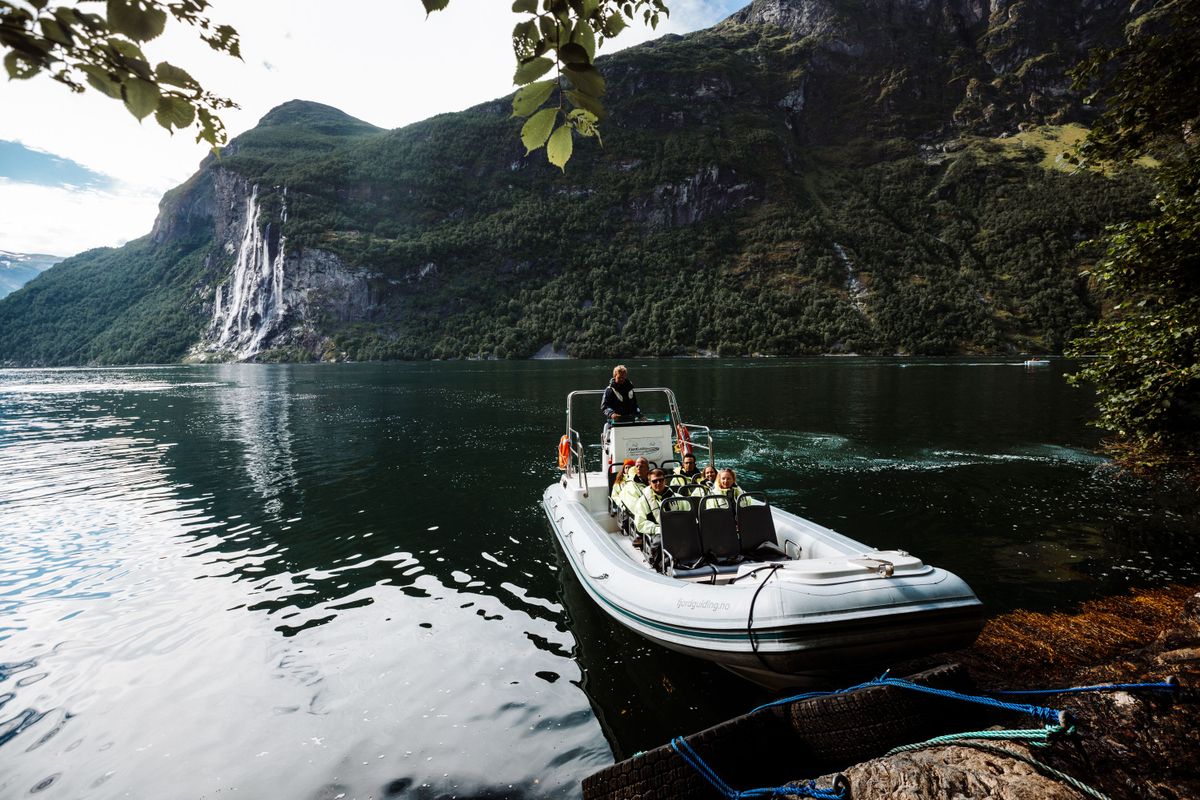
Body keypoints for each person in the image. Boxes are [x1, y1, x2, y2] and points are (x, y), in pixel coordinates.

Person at [633, 468, 674, 545]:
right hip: (657, 532)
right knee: (660, 543)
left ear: (665, 481)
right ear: (649, 483)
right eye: (654, 481)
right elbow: (640, 523)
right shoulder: (642, 502)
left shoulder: (676, 497)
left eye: (661, 480)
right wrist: (658, 529)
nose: (658, 483)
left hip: (676, 529)